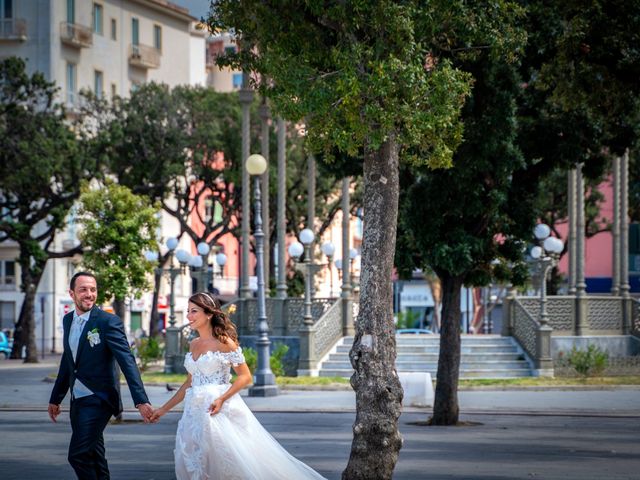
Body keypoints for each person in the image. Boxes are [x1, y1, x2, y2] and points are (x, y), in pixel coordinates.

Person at [151, 292, 326, 480]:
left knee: (226, 462)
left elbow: (245, 376)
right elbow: (189, 383)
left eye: (194, 311)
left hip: (216, 409)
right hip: (193, 414)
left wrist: (221, 398)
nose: (189, 316)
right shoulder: (193, 344)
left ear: (208, 314)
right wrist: (163, 410)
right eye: (188, 311)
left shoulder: (225, 342)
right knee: (196, 461)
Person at [48, 272, 153, 479]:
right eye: (83, 289)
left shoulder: (108, 322)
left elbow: (127, 361)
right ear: (72, 293)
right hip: (77, 400)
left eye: (93, 290)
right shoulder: (68, 320)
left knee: (77, 455)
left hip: (99, 398)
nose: (89, 294)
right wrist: (56, 398)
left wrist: (141, 400)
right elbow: (69, 362)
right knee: (94, 455)